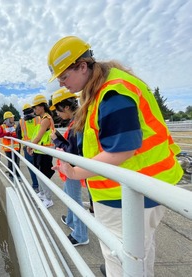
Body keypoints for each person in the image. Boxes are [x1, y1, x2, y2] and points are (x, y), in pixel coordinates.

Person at [48, 36, 183, 276]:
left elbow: (121, 149)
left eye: (64, 76)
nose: (61, 83)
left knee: (120, 260)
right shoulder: (107, 87)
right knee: (139, 255)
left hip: (126, 194)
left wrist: (75, 171)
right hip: (141, 187)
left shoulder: (112, 92)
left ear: (82, 66)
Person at [49, 87, 89, 246]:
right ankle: (71, 220)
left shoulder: (77, 122)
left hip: (74, 168)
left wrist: (56, 141)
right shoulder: (78, 119)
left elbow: (71, 151)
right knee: (68, 195)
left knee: (74, 200)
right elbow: (72, 145)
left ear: (66, 107)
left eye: (58, 110)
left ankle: (81, 235)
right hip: (71, 168)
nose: (57, 114)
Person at [27, 94, 56, 208]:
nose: (34, 109)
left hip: (45, 151)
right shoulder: (42, 119)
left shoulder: (46, 119)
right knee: (39, 173)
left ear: (42, 106)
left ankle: (48, 199)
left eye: (36, 107)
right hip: (40, 150)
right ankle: (43, 194)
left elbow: (39, 137)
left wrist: (30, 146)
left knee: (43, 175)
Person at [16, 103, 41, 192]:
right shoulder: (38, 119)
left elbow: (18, 135)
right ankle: (43, 187)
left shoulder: (21, 122)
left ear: (23, 112)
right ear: (32, 110)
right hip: (39, 146)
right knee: (40, 167)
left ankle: (35, 185)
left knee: (31, 167)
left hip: (27, 147)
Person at [0, 111, 20, 179]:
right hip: (8, 148)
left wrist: (14, 136)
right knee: (10, 162)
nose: (13, 118)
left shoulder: (15, 125)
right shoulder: (2, 126)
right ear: (8, 119)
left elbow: (18, 135)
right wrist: (7, 134)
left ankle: (17, 175)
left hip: (16, 147)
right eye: (12, 117)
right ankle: (11, 175)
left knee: (16, 162)